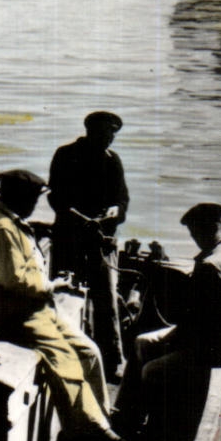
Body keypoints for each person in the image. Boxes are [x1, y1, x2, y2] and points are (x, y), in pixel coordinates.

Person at [0, 168, 150, 441]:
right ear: (19, 198)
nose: (35, 206)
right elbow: (15, 282)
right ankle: (97, 438)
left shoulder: (11, 220)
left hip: (35, 308)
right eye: (33, 200)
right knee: (65, 362)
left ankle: (95, 427)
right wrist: (55, 286)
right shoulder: (1, 228)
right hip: (11, 314)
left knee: (89, 352)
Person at [112, 203, 221, 439]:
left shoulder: (210, 265)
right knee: (143, 342)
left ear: (212, 229)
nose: (196, 239)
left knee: (152, 370)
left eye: (197, 234)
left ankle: (149, 430)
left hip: (218, 347)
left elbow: (194, 325)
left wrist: (173, 339)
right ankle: (126, 415)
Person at [48, 111, 129, 376]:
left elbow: (122, 199)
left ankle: (112, 360)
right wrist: (81, 219)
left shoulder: (112, 160)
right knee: (64, 295)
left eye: (113, 135)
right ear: (90, 131)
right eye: (106, 134)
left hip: (101, 239)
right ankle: (64, 356)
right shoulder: (65, 154)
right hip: (69, 236)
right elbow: (56, 198)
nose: (110, 140)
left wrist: (115, 211)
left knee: (106, 297)